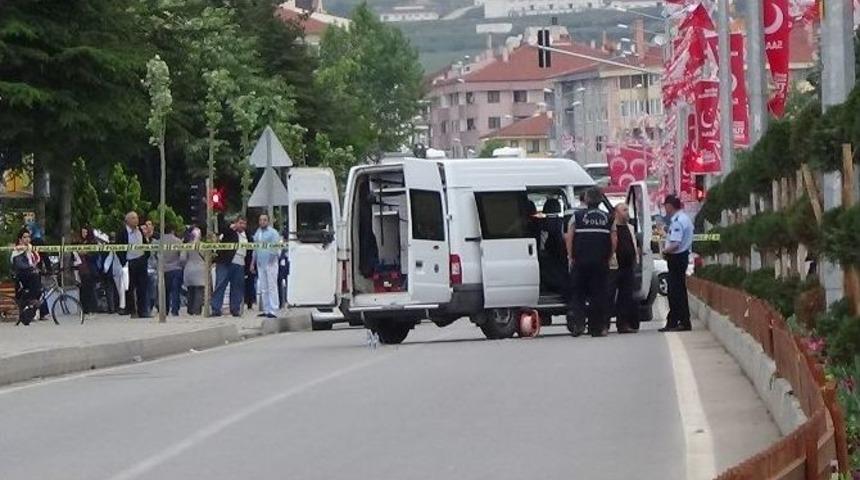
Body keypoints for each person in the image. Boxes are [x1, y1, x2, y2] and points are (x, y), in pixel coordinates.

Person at [565, 187, 615, 337]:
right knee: (598, 294)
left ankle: (579, 325)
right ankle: (596, 328)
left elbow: (570, 237)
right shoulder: (608, 218)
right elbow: (614, 240)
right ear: (600, 201)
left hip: (580, 261)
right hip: (600, 262)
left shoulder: (577, 216)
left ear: (586, 200)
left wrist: (570, 256)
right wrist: (609, 256)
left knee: (578, 294)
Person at [660, 195, 694, 332]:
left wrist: (664, 251)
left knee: (675, 292)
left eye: (665, 206)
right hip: (682, 257)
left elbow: (675, 243)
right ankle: (678, 321)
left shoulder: (678, 221)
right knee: (678, 290)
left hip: (676, 257)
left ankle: (679, 321)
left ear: (670, 206)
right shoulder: (685, 218)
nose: (664, 209)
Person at [610, 203, 639, 334]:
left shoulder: (630, 227)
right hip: (614, 267)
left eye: (628, 210)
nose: (627, 213)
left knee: (626, 297)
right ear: (616, 212)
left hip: (628, 267)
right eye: (624, 210)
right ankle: (603, 324)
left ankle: (623, 324)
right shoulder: (611, 227)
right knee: (609, 295)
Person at [210, 216, 247, 317]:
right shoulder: (229, 232)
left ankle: (235, 309)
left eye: (244, 223)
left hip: (240, 263)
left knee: (237, 287)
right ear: (235, 223)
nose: (242, 225)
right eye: (240, 223)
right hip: (225, 262)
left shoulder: (246, 235)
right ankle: (216, 309)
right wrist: (231, 227)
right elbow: (221, 229)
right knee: (220, 285)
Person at [116, 211, 150, 318]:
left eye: (137, 218)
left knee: (143, 287)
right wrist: (124, 261)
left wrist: (145, 256)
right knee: (130, 287)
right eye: (134, 218)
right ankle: (132, 310)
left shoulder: (139, 230)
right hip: (130, 262)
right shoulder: (122, 232)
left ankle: (143, 311)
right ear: (128, 221)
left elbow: (145, 244)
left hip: (141, 261)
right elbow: (119, 248)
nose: (136, 220)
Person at [10, 228, 44, 324]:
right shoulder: (18, 250)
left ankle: (30, 312)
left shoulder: (30, 248)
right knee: (35, 279)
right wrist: (32, 268)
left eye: (28, 237)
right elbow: (20, 265)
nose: (27, 239)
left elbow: (37, 260)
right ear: (20, 239)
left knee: (39, 289)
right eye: (25, 237)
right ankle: (28, 301)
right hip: (22, 275)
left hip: (31, 274)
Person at [252, 214, 282, 319]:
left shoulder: (273, 233)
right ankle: (266, 309)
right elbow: (255, 248)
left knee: (272, 286)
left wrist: (271, 259)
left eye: (264, 220)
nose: (262, 222)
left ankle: (274, 309)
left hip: (271, 263)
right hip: (260, 263)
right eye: (260, 220)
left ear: (268, 221)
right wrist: (253, 262)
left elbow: (275, 247)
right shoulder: (258, 233)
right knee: (263, 287)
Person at [158, 224, 183, 316]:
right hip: (176, 268)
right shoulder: (178, 241)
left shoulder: (159, 242)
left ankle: (165, 309)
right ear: (173, 231)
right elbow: (182, 257)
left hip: (164, 269)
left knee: (165, 291)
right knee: (175, 291)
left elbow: (156, 255)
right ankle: (175, 310)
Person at [75, 226, 101, 314]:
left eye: (85, 232)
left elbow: (95, 256)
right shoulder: (80, 242)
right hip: (81, 269)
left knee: (90, 289)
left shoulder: (93, 243)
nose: (83, 234)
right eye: (82, 232)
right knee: (83, 290)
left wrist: (86, 253)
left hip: (89, 269)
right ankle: (84, 308)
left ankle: (92, 308)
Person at [181, 226, 206, 316]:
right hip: (201, 269)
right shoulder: (204, 245)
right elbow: (208, 258)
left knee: (190, 290)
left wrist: (186, 265)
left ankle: (190, 309)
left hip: (189, 269)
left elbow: (182, 258)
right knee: (199, 290)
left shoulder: (186, 245)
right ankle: (197, 310)